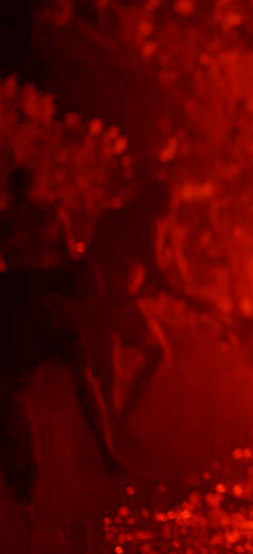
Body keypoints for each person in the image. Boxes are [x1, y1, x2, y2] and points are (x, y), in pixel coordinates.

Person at [0, 167, 124, 516]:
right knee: (16, 406)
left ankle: (24, 498)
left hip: (20, 314)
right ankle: (23, 498)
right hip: (21, 321)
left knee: (16, 405)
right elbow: (85, 387)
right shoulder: (46, 218)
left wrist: (106, 449)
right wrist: (105, 449)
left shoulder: (21, 222)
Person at [83, 179, 174, 426]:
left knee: (108, 372)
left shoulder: (111, 216)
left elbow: (92, 254)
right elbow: (154, 269)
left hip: (93, 297)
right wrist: (178, 291)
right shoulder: (147, 224)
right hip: (116, 301)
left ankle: (110, 427)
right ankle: (121, 420)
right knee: (157, 352)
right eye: (168, 204)